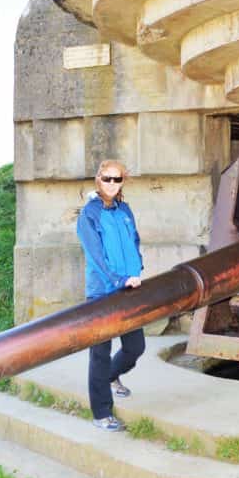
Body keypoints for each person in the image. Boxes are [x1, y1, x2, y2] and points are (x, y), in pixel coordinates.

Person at [76, 159, 145, 431]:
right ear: (98, 179)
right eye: (107, 178)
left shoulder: (124, 210)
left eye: (117, 179)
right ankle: (101, 413)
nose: (112, 184)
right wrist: (118, 278)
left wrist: (137, 268)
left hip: (129, 287)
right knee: (100, 354)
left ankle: (112, 377)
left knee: (135, 347)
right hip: (103, 292)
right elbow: (96, 255)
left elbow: (134, 240)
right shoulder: (89, 214)